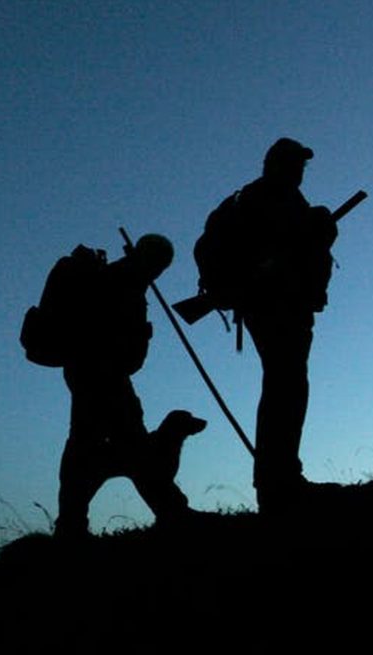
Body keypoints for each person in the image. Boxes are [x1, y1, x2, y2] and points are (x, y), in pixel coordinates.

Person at [204, 138, 339, 512]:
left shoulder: (280, 200)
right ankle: (278, 483)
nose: (299, 170)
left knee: (287, 385)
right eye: (294, 163)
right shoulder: (265, 201)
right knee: (286, 385)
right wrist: (316, 233)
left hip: (283, 306)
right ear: (275, 164)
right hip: (273, 305)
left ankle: (280, 478)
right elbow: (279, 252)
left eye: (301, 165)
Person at [54, 233, 207, 539]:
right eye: (160, 266)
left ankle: (71, 524)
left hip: (94, 373)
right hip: (103, 375)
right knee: (123, 445)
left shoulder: (124, 277)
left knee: (92, 446)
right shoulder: (122, 279)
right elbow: (115, 335)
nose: (159, 273)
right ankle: (172, 512)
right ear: (153, 261)